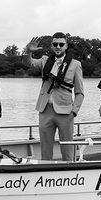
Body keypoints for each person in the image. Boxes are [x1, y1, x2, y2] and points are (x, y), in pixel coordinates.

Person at [23, 32, 84, 161]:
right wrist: (27, 51)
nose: (58, 46)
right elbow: (29, 63)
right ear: (51, 46)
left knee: (67, 149)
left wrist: (74, 112)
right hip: (45, 109)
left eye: (61, 44)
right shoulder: (45, 60)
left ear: (66, 46)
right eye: (55, 44)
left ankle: (70, 174)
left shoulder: (75, 64)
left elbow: (80, 92)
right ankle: (46, 174)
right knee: (45, 149)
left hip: (66, 111)